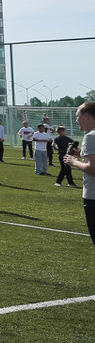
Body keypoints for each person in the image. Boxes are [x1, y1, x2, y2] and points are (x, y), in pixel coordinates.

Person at [61, 101, 95, 245]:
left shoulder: (91, 136)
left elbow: (93, 169)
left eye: (77, 116)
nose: (76, 120)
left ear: (86, 116)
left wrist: (74, 161)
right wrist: (82, 154)